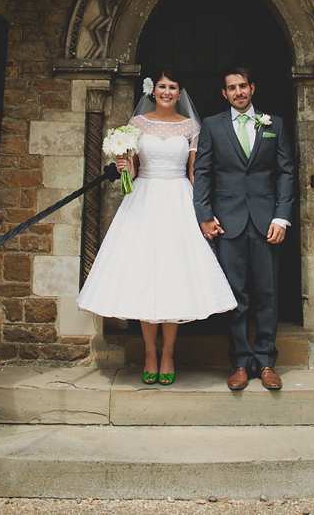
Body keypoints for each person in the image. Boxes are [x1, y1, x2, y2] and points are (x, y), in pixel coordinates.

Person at [77, 68, 236, 386]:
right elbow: (132, 174)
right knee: (145, 275)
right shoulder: (137, 124)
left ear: (180, 93)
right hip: (144, 200)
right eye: (162, 86)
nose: (167, 91)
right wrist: (125, 166)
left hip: (178, 199)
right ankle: (150, 353)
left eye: (173, 87)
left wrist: (205, 211)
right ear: (153, 91)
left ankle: (168, 354)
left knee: (173, 277)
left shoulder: (191, 126)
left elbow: (195, 173)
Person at [193, 66, 295, 391]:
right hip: (228, 222)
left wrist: (282, 216)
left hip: (267, 221)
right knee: (235, 295)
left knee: (267, 294)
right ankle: (239, 362)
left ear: (252, 88)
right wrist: (204, 214)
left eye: (243, 86)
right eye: (231, 88)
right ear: (224, 93)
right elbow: (203, 171)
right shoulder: (211, 125)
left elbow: (286, 173)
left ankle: (266, 362)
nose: (238, 92)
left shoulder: (274, 124)